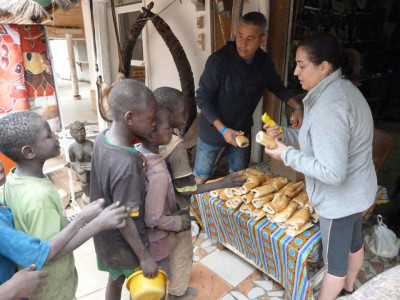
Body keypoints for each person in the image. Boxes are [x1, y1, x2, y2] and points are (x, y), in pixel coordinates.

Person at [263, 33, 377, 300]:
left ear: (323, 67)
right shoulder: (340, 90)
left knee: (334, 266)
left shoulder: (330, 106)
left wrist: (285, 155)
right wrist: (284, 135)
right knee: (353, 243)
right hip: (359, 192)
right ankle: (349, 289)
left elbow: (332, 173)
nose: (295, 72)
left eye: (302, 65)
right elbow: (317, 140)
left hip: (341, 200)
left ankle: (337, 291)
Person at [0, 112, 129, 300]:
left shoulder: (13, 178)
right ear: (29, 152)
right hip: (51, 289)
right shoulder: (39, 197)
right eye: (48, 134)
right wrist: (97, 223)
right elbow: (50, 252)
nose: (56, 136)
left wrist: (81, 218)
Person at [154, 86, 246, 299]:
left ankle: (159, 288)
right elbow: (186, 188)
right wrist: (222, 182)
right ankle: (177, 292)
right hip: (176, 211)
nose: (188, 117)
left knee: (161, 252)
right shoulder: (175, 146)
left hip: (156, 214)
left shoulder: (147, 138)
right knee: (181, 253)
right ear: (167, 113)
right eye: (183, 112)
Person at [194, 11, 304, 184]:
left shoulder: (263, 62)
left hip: (241, 129)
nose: (242, 44)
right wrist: (223, 130)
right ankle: (196, 210)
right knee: (202, 175)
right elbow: (202, 98)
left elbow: (277, 87)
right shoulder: (219, 61)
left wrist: (297, 107)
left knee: (240, 176)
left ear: (262, 40)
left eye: (250, 39)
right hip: (213, 130)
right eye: (240, 36)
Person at [90, 79, 159, 300]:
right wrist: (144, 256)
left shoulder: (103, 137)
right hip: (126, 244)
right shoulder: (126, 165)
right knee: (140, 288)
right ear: (129, 118)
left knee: (116, 278)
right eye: (150, 119)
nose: (154, 124)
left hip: (105, 237)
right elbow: (125, 219)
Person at [136, 107, 191, 281]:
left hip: (145, 236)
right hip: (156, 238)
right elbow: (153, 219)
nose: (173, 130)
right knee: (162, 274)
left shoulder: (139, 151)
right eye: (168, 128)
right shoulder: (157, 173)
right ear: (152, 135)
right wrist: (177, 222)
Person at [68, 120, 94, 198]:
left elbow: (98, 157)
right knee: (83, 179)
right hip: (82, 167)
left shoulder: (90, 143)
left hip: (92, 166)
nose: (80, 134)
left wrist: (93, 165)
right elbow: (73, 161)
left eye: (82, 131)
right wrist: (76, 166)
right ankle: (88, 196)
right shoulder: (72, 147)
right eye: (76, 132)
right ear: (71, 134)